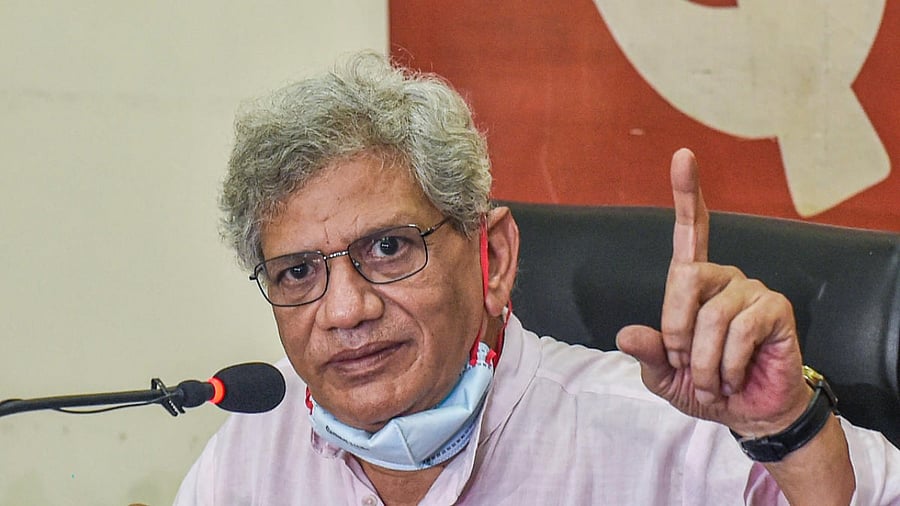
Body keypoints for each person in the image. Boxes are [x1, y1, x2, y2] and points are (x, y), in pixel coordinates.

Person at [174, 52, 900, 505]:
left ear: (493, 258)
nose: (344, 310)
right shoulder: (255, 442)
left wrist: (787, 432)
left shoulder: (670, 438)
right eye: (297, 271)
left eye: (389, 248)